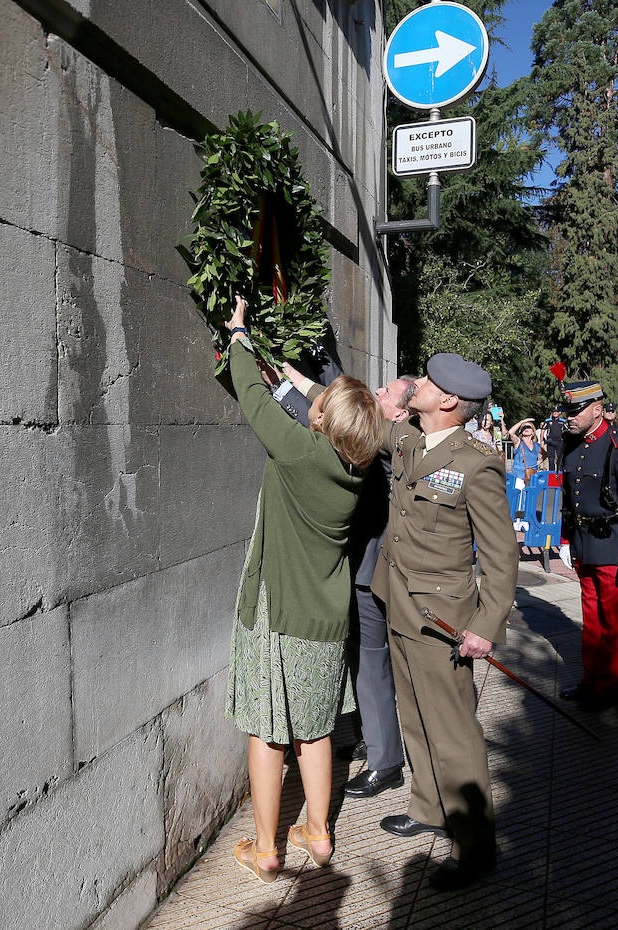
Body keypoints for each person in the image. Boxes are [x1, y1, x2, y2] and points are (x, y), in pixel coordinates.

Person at [221, 296, 384, 883]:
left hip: (278, 613)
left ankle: (266, 847)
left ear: (323, 422)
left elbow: (250, 399)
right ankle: (318, 833)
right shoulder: (355, 469)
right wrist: (290, 377)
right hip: (325, 616)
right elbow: (323, 414)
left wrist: (240, 335)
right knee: (315, 728)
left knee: (268, 732)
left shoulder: (296, 452)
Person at [369, 353, 517, 890]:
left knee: (453, 732)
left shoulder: (477, 463)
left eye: (428, 382)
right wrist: (293, 382)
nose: (418, 384)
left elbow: (502, 554)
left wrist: (486, 622)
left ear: (448, 401)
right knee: (414, 716)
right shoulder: (408, 438)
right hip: (401, 604)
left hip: (443, 619)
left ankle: (476, 847)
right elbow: (359, 418)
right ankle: (429, 808)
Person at [340, 374, 418, 800]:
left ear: (401, 413)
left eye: (386, 392)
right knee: (364, 661)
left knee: (373, 664)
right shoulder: (400, 436)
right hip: (367, 567)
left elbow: (338, 402)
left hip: (375, 573)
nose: (376, 393)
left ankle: (386, 761)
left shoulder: (395, 444)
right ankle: (375, 735)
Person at [554, 380, 618, 710]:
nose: (569, 417)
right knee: (593, 623)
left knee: (616, 626)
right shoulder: (572, 443)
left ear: (597, 409)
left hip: (614, 547)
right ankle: (590, 681)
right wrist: (566, 539)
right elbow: (569, 496)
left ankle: (609, 691)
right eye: (567, 410)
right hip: (585, 546)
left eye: (575, 411)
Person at [510, 418, 540, 485]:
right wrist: (522, 422)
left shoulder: (536, 445)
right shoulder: (518, 442)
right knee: (520, 495)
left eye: (529, 427)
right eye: (524, 427)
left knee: (531, 495)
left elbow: (546, 454)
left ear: (533, 431)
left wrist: (539, 461)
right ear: (521, 431)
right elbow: (511, 433)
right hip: (519, 476)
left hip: (533, 476)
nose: (526, 428)